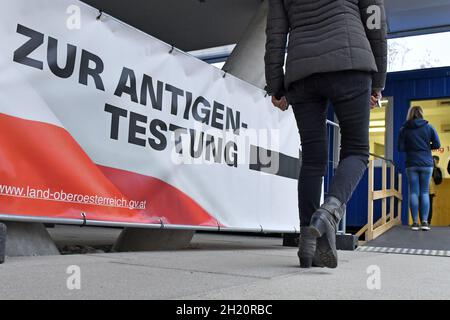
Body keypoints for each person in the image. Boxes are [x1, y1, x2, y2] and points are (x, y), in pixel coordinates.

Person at [264, 0, 387, 268]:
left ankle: (307, 249)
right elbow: (376, 23)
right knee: (356, 150)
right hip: (350, 64)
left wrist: (276, 85)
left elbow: (275, 34)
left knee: (312, 158)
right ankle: (330, 211)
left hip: (302, 73)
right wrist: (378, 82)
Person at [397, 106, 441, 231]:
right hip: (427, 164)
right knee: (425, 192)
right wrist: (426, 146)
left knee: (414, 192)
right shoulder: (429, 127)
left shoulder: (404, 129)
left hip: (411, 163)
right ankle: (425, 222)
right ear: (421, 113)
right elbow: (437, 144)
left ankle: (415, 222)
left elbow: (400, 147)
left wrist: (412, 147)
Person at [428, 155, 443, 225]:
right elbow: (438, 181)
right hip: (431, 190)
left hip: (423, 189)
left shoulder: (425, 167)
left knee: (422, 205)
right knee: (430, 206)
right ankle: (428, 222)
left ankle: (423, 221)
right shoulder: (435, 169)